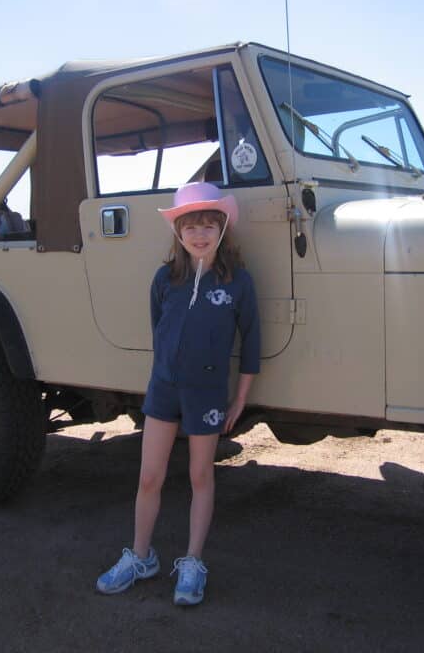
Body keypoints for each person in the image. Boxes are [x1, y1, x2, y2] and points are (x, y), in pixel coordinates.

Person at [96, 182, 260, 606]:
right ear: (178, 233)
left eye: (208, 225)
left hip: (207, 395)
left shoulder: (237, 282)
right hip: (163, 391)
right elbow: (159, 332)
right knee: (149, 476)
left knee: (200, 476)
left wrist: (240, 398)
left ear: (222, 229)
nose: (200, 234)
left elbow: (253, 342)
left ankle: (191, 562)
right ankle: (141, 557)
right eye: (191, 226)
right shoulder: (164, 279)